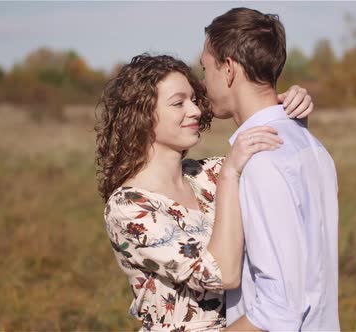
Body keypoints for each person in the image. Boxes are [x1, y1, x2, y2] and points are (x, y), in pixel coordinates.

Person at [95, 54, 314, 331]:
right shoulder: (129, 207)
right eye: (178, 103)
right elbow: (221, 275)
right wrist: (230, 173)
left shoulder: (208, 174)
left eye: (194, 100)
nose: (196, 111)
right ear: (140, 115)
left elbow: (279, 159)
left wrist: (291, 109)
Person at [200, 8, 340, 331]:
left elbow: (278, 310)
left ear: (229, 69)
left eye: (205, 67)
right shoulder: (314, 147)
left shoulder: (262, 161)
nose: (204, 80)